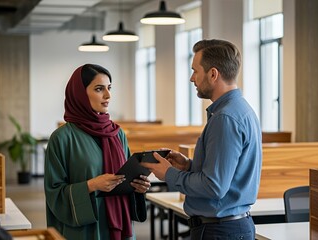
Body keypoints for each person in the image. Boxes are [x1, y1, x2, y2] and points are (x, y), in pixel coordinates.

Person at [141, 39, 262, 240]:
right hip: (230, 226)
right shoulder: (242, 110)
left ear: (213, 74)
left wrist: (168, 174)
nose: (191, 78)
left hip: (219, 231)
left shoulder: (225, 118)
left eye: (195, 71)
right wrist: (189, 165)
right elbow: (226, 175)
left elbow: (214, 187)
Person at [44, 64, 151, 240]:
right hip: (85, 230)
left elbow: (125, 176)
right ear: (80, 94)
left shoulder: (117, 133)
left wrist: (138, 187)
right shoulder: (62, 138)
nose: (108, 95)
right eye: (99, 89)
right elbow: (54, 193)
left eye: (109, 88)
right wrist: (91, 185)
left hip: (119, 225)